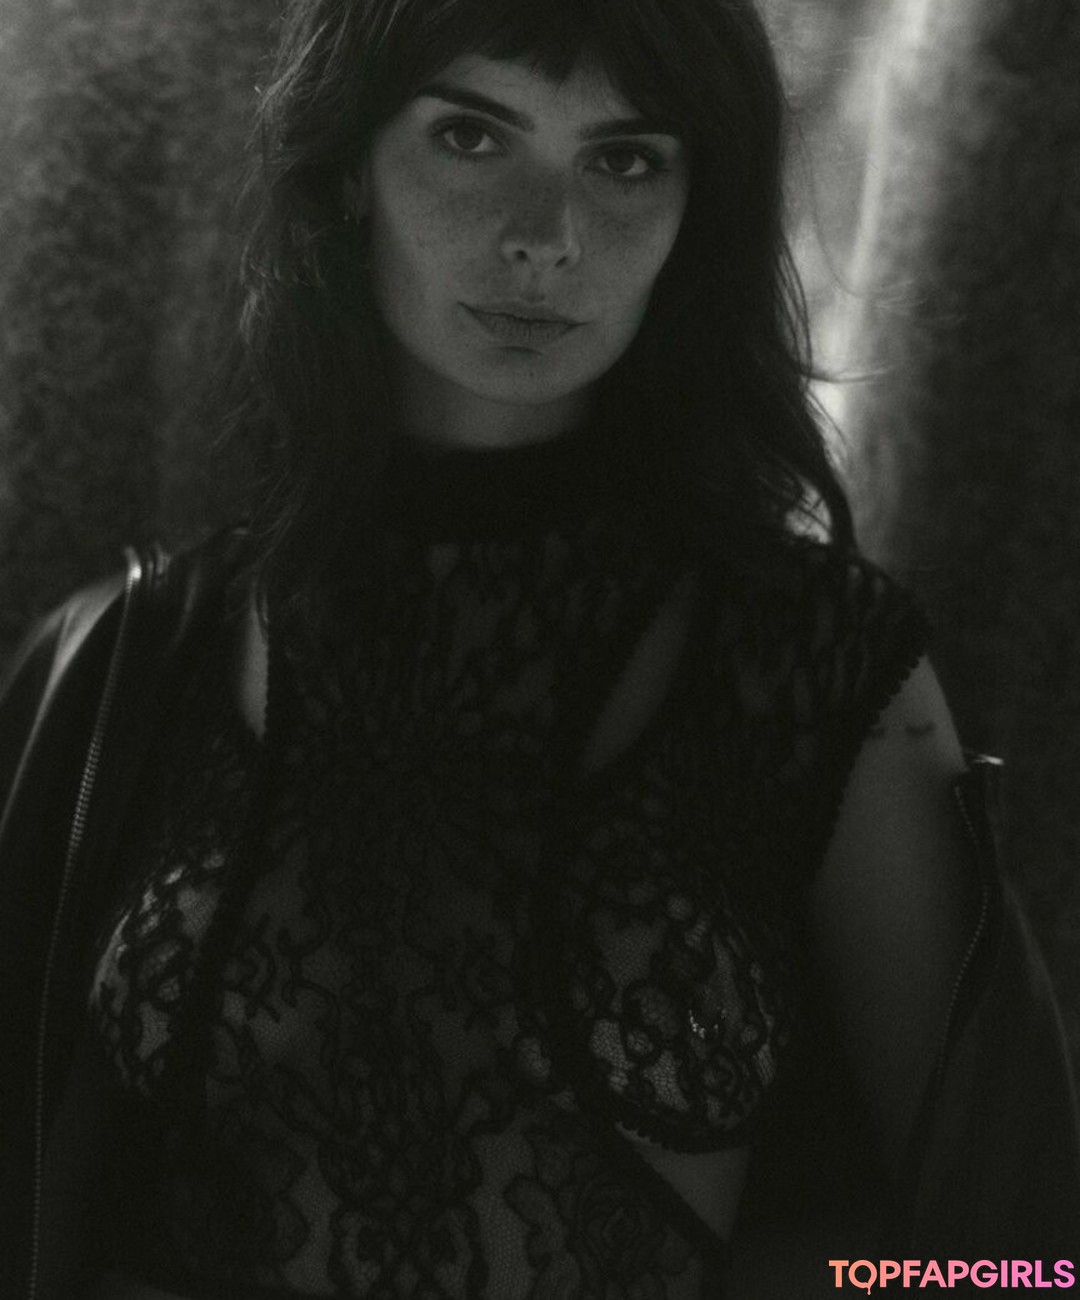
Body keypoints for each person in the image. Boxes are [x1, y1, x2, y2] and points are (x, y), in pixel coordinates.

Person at [1, 0, 1077, 1297]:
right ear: (348, 168)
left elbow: (1022, 1266)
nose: (546, 237)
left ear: (699, 208)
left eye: (624, 159)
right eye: (472, 136)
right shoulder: (132, 661)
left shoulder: (814, 665)